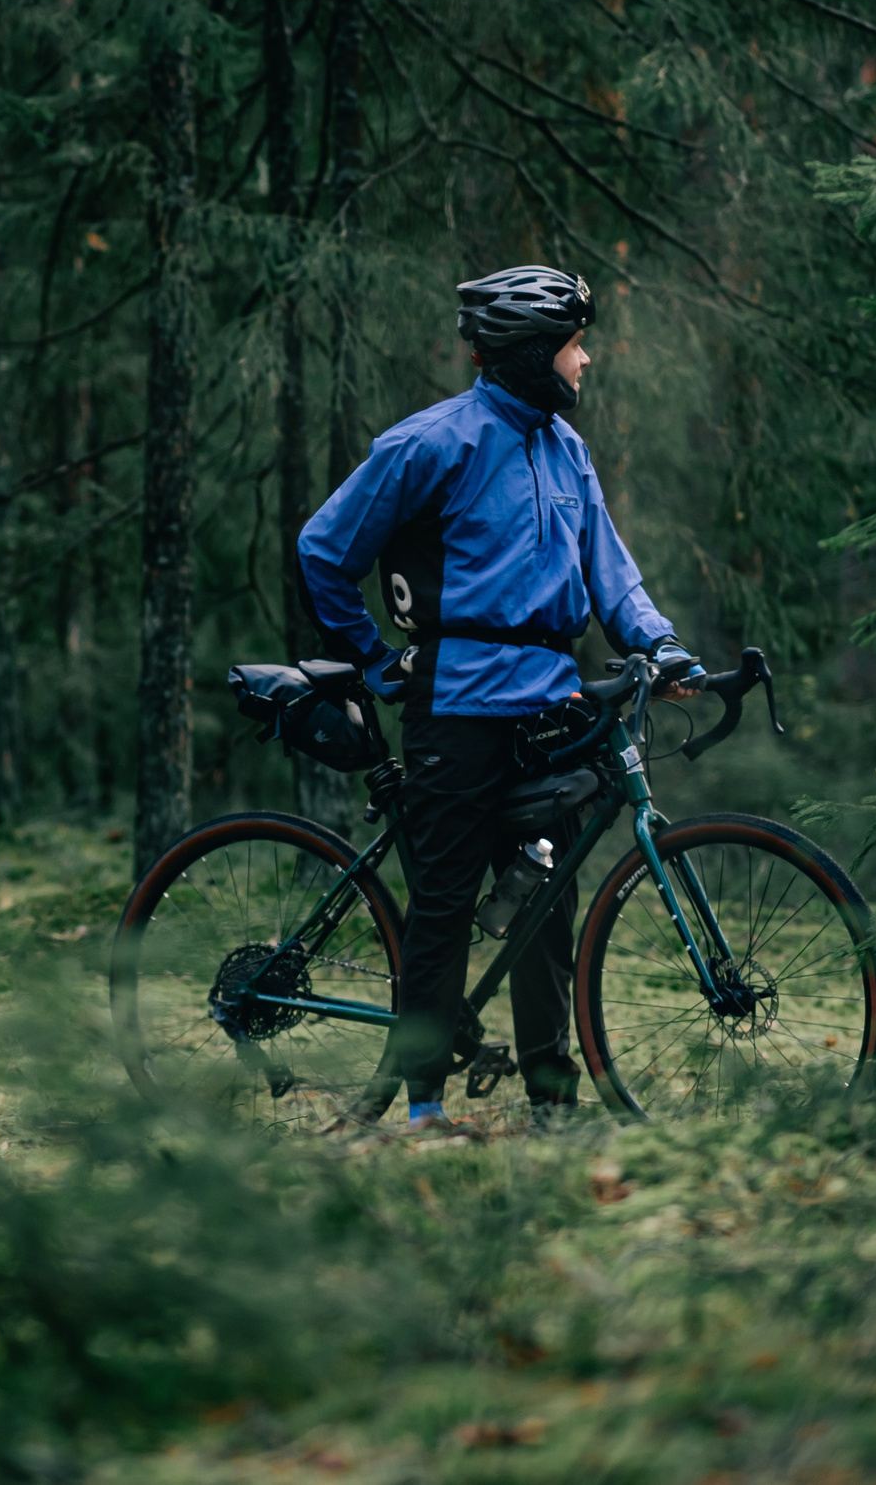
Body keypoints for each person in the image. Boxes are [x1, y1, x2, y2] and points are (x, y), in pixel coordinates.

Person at [297, 265, 702, 1128]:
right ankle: (423, 1110)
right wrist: (373, 662)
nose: (585, 361)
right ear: (527, 355)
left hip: (549, 706)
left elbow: (613, 577)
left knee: (545, 905)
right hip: (456, 709)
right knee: (443, 904)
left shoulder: (569, 451)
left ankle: (553, 1100)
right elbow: (325, 551)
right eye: (572, 345)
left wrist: (661, 644)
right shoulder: (431, 443)